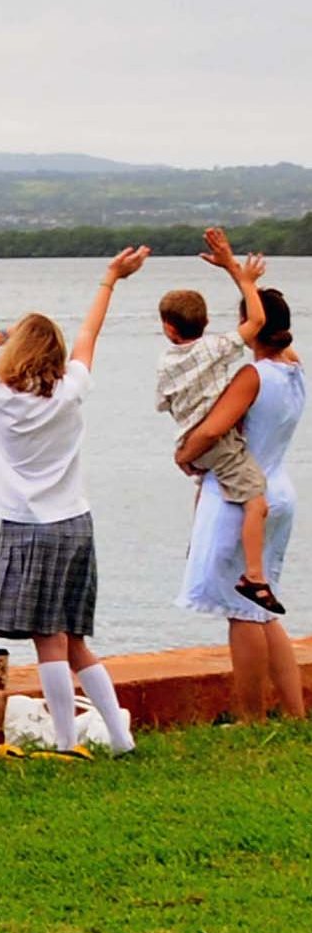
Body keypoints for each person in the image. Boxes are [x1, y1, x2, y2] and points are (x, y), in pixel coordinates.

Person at [0, 247, 149, 757]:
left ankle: (66, 741)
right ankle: (119, 737)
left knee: (48, 638)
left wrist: (3, 333)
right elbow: (89, 335)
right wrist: (110, 279)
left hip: (28, 525)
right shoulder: (70, 391)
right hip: (75, 522)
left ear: (17, 352)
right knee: (73, 637)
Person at [175, 231, 304, 719]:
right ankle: (294, 711)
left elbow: (212, 429)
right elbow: (264, 324)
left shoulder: (253, 377)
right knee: (261, 606)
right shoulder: (295, 369)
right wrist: (239, 274)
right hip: (279, 492)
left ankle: (250, 716)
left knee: (240, 611)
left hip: (239, 495)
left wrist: (184, 453)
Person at [155, 273, 282, 615]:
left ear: (169, 328)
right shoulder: (215, 347)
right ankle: (254, 576)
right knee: (257, 501)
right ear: (206, 321)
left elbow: (164, 403)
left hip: (190, 438)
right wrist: (246, 281)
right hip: (218, 441)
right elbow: (257, 321)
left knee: (206, 486)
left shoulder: (166, 363)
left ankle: (197, 545)